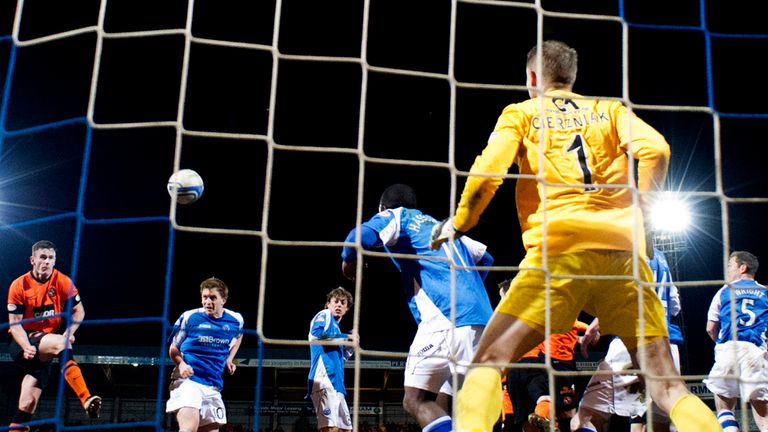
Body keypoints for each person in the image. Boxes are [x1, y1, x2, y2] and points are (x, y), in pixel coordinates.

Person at [428, 40, 719, 432]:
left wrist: (460, 222)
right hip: (624, 263)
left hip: (557, 256)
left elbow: (487, 171)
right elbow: (657, 150)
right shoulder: (608, 109)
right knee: (668, 387)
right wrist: (643, 219)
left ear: (531, 78)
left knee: (488, 361)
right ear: (572, 77)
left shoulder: (522, 112)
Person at [341, 183, 494, 432]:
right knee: (446, 399)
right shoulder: (443, 226)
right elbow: (486, 258)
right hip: (480, 321)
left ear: (382, 208)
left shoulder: (398, 216)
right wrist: (467, 293)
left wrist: (348, 261)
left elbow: (357, 237)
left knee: (415, 400)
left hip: (444, 318)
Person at [571, 244, 685, 432]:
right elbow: (674, 306)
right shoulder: (661, 257)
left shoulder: (627, 251)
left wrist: (594, 326)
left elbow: (626, 298)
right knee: (659, 424)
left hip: (631, 343)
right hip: (667, 347)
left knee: (584, 419)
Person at [6, 240, 102, 431]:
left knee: (27, 405)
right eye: (43, 257)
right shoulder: (19, 285)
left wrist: (70, 331)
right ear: (32, 260)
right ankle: (85, 397)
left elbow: (79, 311)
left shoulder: (62, 281)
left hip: (45, 348)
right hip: (22, 343)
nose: (47, 262)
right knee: (60, 343)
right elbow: (15, 324)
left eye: (51, 258)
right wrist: (26, 345)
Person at [498, 279, 595, 432]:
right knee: (565, 413)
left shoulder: (504, 319)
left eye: (504, 297)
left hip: (513, 373)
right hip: (539, 365)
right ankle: (551, 423)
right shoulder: (541, 309)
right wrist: (591, 331)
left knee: (525, 420)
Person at [166, 277, 244, 432]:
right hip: (188, 380)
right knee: (189, 428)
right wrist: (181, 364)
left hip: (213, 385)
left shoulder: (236, 320)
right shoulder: (190, 317)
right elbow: (173, 348)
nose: (208, 301)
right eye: (205, 297)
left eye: (213, 298)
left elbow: (239, 336)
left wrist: (229, 359)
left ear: (224, 300)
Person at [703, 251, 768, 432]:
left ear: (742, 267)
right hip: (755, 352)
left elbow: (710, 327)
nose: (727, 271)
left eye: (730, 266)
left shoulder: (724, 290)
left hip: (728, 349)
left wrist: (719, 345)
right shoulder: (765, 291)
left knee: (723, 405)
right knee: (763, 416)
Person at [306, 287, 357, 432]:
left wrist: (350, 347)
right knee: (330, 428)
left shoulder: (337, 331)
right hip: (323, 380)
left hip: (337, 385)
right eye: (336, 301)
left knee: (346, 429)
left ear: (347, 308)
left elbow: (341, 361)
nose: (339, 305)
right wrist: (346, 338)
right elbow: (317, 337)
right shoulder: (325, 315)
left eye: (343, 303)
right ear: (328, 304)